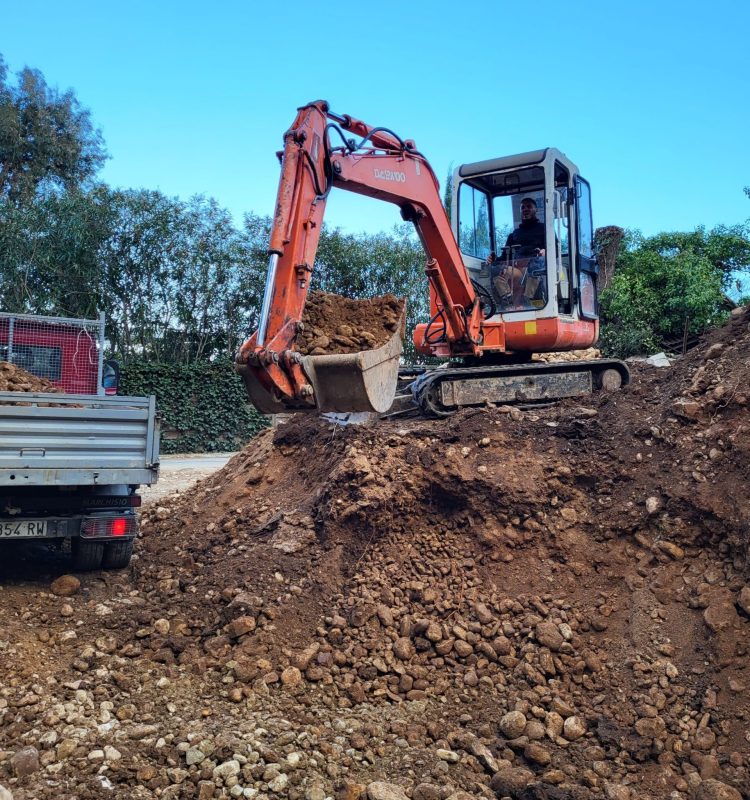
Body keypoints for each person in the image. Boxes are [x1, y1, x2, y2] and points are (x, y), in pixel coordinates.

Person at [486, 197, 547, 307]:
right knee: (496, 269)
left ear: (536, 210)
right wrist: (494, 260)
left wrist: (545, 251)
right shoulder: (514, 234)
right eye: (522, 207)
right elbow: (505, 257)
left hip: (534, 269)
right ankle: (508, 303)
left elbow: (555, 248)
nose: (525, 209)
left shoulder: (544, 229)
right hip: (517, 270)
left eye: (529, 206)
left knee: (538, 262)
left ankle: (528, 300)